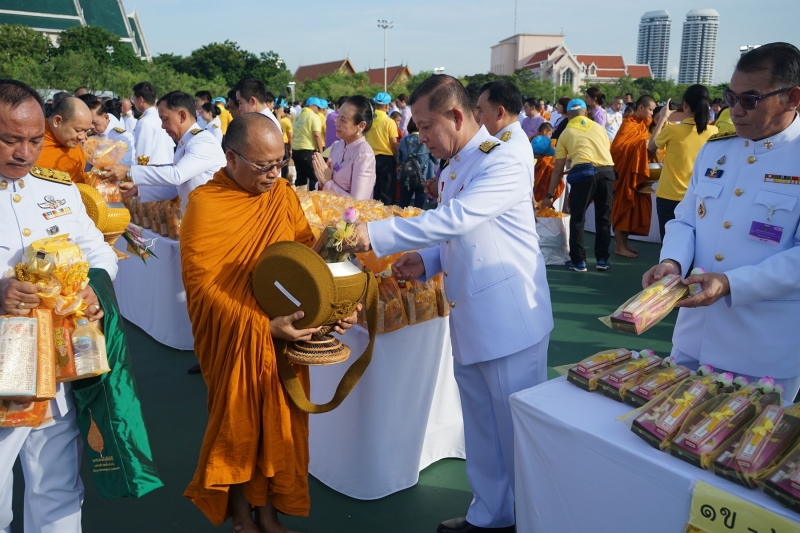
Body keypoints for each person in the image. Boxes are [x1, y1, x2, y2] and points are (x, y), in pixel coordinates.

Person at [345, 74, 553, 533]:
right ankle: (491, 514)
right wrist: (429, 259)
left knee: (516, 434)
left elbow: (460, 218)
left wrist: (375, 234)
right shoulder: (457, 163)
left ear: (456, 116)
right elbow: (470, 235)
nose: (419, 138)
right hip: (471, 315)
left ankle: (534, 520)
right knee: (482, 428)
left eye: (425, 126)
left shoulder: (503, 157)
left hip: (508, 320)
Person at [181, 112, 358, 533]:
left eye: (280, 163)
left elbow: (301, 255)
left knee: (281, 424)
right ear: (231, 158)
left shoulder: (281, 194)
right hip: (238, 335)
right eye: (263, 166)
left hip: (285, 335)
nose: (274, 174)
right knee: (240, 425)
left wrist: (334, 301)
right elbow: (204, 289)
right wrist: (262, 327)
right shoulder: (206, 205)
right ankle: (243, 515)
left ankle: (268, 513)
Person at [643, 41, 800, 401]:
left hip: (762, 348)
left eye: (751, 99)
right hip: (694, 337)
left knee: (746, 436)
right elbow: (685, 220)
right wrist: (672, 261)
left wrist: (731, 283)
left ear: (792, 98)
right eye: (731, 98)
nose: (736, 110)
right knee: (667, 424)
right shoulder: (717, 150)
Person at [0, 79, 116, 533]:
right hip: (3, 361)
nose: (25, 153)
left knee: (59, 486)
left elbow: (98, 250)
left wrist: (94, 287)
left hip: (59, 358)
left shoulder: (58, 188)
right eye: (10, 140)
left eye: (34, 140)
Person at [100, 91, 225, 211]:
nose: (163, 126)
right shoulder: (186, 142)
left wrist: (129, 171)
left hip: (210, 217)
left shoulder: (203, 141)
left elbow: (176, 175)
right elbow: (176, 188)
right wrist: (139, 190)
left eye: (165, 119)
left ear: (182, 116)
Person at [541, 99, 615, 272]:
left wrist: (549, 195)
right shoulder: (600, 129)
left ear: (567, 116)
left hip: (584, 175)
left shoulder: (566, 133)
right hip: (607, 173)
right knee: (604, 218)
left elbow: (558, 168)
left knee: (577, 218)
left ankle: (579, 261)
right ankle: (602, 260)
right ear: (586, 113)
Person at [648, 85, 718, 240]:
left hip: (669, 196)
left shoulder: (672, 130)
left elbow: (651, 146)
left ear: (685, 105)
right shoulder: (714, 132)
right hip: (698, 197)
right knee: (695, 242)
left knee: (669, 242)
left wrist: (663, 118)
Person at [610, 94, 656, 257]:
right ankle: (619, 246)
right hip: (624, 173)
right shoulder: (628, 124)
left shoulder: (641, 124)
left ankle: (624, 243)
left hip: (634, 171)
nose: (652, 113)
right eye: (650, 110)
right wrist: (640, 145)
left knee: (632, 209)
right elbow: (616, 149)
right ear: (641, 108)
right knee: (623, 206)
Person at [312, 95, 376, 200]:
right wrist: (321, 181)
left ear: (361, 126)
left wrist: (327, 183)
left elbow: (359, 203)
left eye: (343, 120)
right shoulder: (336, 146)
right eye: (338, 117)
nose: (336, 122)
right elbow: (325, 182)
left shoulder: (364, 154)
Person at [34, 96, 93, 183]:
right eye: (78, 130)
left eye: (86, 131)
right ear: (57, 121)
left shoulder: (74, 145)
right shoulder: (31, 142)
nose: (82, 137)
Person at [365, 91, 400, 204]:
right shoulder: (389, 122)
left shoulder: (368, 121)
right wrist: (397, 162)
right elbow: (394, 145)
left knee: (373, 191)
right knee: (387, 193)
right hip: (386, 160)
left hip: (370, 158)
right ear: (386, 106)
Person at [130, 81, 176, 166]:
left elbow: (142, 153)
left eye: (134, 99)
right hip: (167, 167)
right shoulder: (162, 117)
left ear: (141, 99)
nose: (133, 102)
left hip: (151, 170)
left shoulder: (144, 121)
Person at [397, 118, 438, 208]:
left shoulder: (403, 140)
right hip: (424, 178)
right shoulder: (427, 141)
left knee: (403, 206)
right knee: (419, 208)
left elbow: (399, 159)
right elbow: (436, 160)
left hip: (407, 178)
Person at [87, 98, 137, 166]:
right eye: (89, 123)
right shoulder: (89, 137)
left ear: (106, 117)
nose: (91, 126)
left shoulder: (123, 137)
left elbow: (122, 166)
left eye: (94, 122)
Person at [291, 96, 323, 190]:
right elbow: (317, 135)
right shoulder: (313, 116)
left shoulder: (298, 117)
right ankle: (313, 198)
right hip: (308, 151)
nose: (319, 110)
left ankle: (298, 197)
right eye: (318, 107)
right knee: (315, 178)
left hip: (296, 151)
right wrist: (321, 152)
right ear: (312, 106)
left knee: (301, 179)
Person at [531, 135, 562, 204]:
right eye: (545, 155)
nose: (546, 157)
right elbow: (528, 184)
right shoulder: (530, 164)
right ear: (538, 156)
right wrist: (534, 201)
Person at [278, 105, 293, 179]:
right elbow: (290, 136)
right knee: (284, 165)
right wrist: (290, 148)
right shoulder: (287, 121)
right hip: (284, 144)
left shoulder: (276, 119)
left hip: (277, 143)